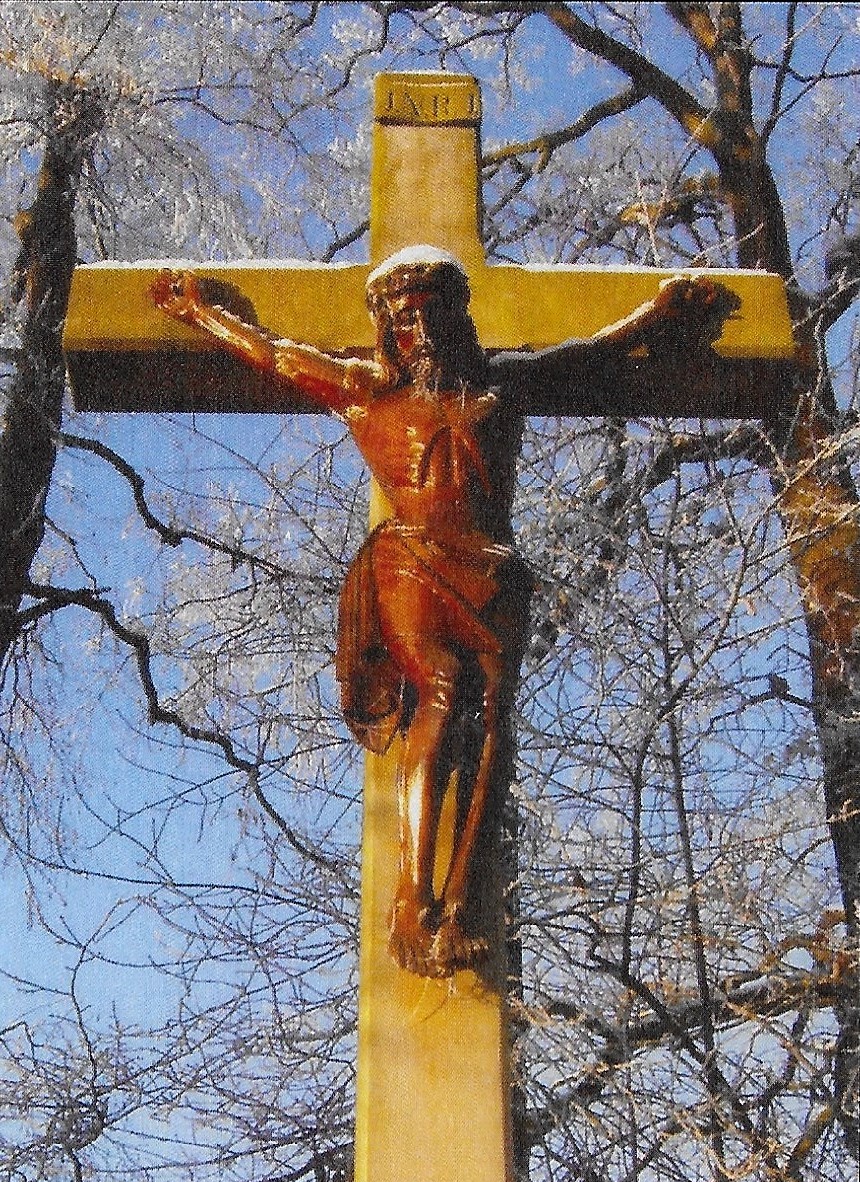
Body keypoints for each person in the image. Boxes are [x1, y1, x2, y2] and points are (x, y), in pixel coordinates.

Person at [152, 247, 736, 976]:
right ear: (387, 329)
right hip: (411, 559)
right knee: (441, 685)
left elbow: (592, 354)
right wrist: (201, 313)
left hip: (492, 570)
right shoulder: (367, 392)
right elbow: (274, 355)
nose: (422, 332)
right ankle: (411, 897)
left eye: (434, 314)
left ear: (460, 318)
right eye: (405, 319)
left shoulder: (504, 386)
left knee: (491, 720)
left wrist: (658, 314)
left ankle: (458, 907)